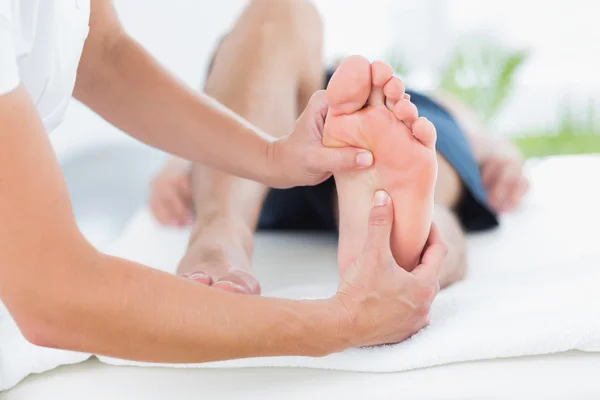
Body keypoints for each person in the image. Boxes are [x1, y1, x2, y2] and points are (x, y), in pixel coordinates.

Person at [0, 0, 447, 363]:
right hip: (294, 121)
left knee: (433, 162)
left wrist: (272, 154)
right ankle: (392, 240)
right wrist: (344, 321)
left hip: (304, 134)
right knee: (279, 12)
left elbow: (101, 50)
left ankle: (395, 240)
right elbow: (53, 294)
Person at [150, 2, 529, 294]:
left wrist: (490, 145)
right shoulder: (374, 96)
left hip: (273, 158)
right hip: (257, 153)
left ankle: (221, 238)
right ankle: (405, 244)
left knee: (405, 140)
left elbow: (448, 109)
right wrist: (179, 159)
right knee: (280, 12)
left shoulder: (373, 98)